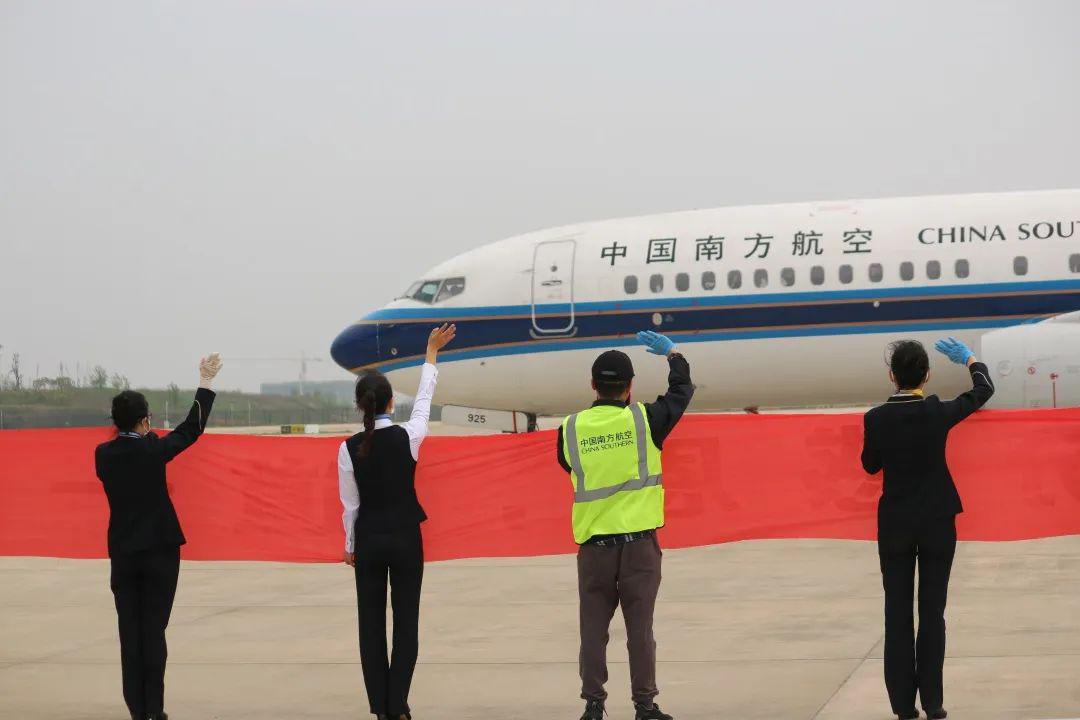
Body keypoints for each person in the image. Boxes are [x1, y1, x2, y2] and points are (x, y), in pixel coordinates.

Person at [556, 330, 694, 720]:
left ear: (593, 386)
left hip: (594, 549)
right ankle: (645, 706)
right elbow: (682, 392)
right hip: (639, 548)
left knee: (592, 629)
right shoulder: (646, 420)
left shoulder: (569, 428)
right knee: (640, 632)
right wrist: (674, 355)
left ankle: (594, 706)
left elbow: (568, 466)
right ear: (630, 387)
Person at [861, 337, 994, 720]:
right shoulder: (938, 411)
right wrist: (970, 359)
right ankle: (933, 702)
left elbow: (870, 466)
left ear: (892, 376)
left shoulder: (876, 418)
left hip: (895, 524)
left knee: (896, 613)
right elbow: (983, 390)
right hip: (937, 519)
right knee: (932, 611)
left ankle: (904, 706)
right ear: (928, 374)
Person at [94, 353, 223, 720]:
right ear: (145, 419)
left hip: (123, 553)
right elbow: (191, 429)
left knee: (129, 636)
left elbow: (123, 450)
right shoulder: (153, 449)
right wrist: (206, 383)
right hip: (160, 552)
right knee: (154, 631)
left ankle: (137, 711)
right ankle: (155, 710)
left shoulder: (102, 455)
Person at [337, 323, 456, 720]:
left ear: (361, 406)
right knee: (406, 624)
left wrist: (350, 545)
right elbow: (424, 399)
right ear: (390, 404)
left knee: (370, 627)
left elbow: (349, 505)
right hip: (406, 538)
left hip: (369, 540)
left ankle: (379, 707)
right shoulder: (409, 435)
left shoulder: (347, 448)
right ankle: (397, 705)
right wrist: (430, 354)